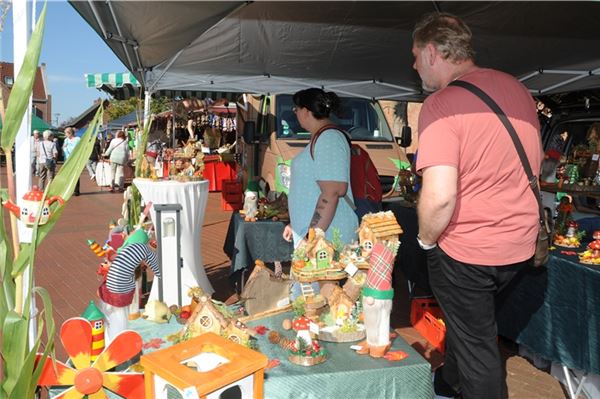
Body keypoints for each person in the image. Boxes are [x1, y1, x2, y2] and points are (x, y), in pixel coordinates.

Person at [412, 13, 543, 399]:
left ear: (433, 52)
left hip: (468, 251)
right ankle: (450, 382)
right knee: (471, 329)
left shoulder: (441, 104)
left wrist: (425, 242)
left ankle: (461, 381)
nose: (414, 65)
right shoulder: (515, 88)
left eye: (415, 56)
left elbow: (439, 197)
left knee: (479, 350)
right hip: (518, 246)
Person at [282, 88, 358, 248]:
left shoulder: (329, 138)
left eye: (296, 109)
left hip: (327, 239)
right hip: (317, 236)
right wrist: (295, 224)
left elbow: (332, 191)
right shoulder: (322, 137)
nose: (295, 113)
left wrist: (313, 237)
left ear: (306, 111)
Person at [63, 127, 81, 196]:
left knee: (75, 175)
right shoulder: (66, 140)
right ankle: (69, 190)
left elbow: (79, 148)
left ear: (70, 133)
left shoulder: (78, 139)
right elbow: (64, 147)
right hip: (67, 159)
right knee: (68, 175)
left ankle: (76, 190)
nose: (65, 135)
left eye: (66, 133)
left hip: (75, 159)